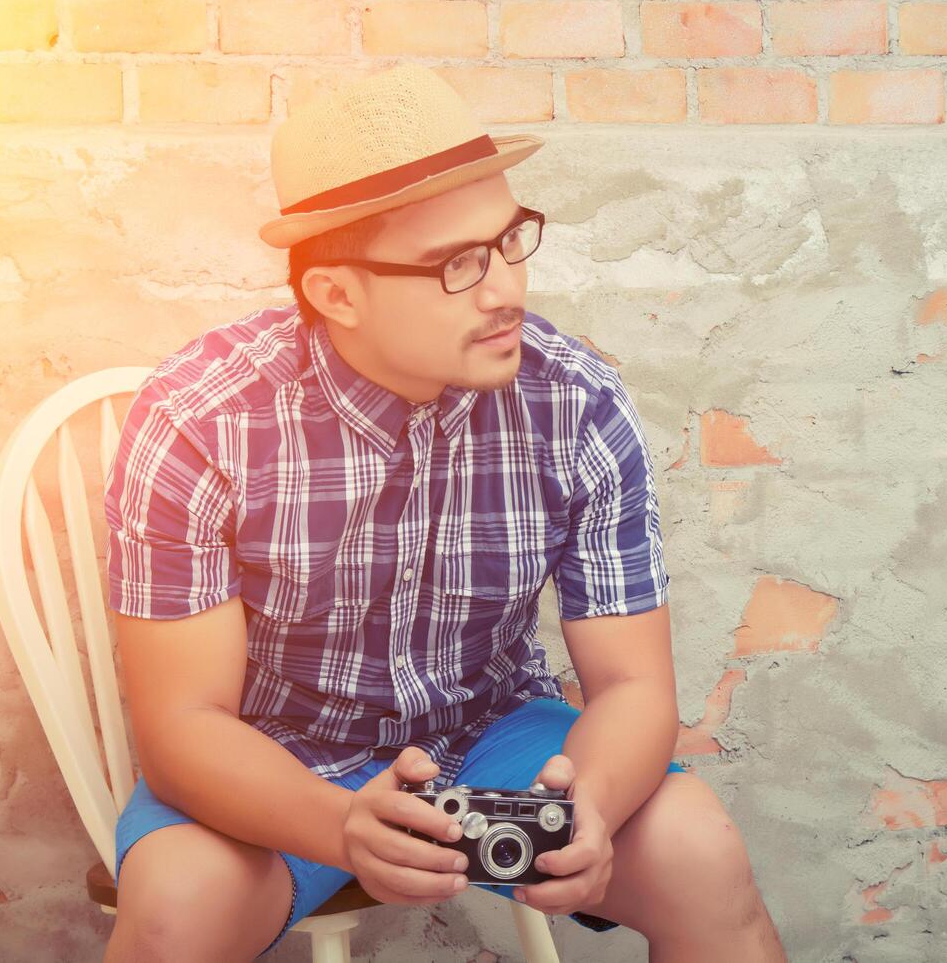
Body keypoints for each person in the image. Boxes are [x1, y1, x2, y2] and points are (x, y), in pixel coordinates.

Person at [102, 62, 786, 962]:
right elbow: (183, 725)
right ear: (337, 294)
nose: (507, 290)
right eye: (458, 265)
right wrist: (344, 823)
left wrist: (594, 813)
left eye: (508, 242)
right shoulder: (199, 420)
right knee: (176, 908)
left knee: (700, 852)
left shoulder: (575, 402)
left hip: (493, 731)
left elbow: (632, 687)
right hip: (276, 757)